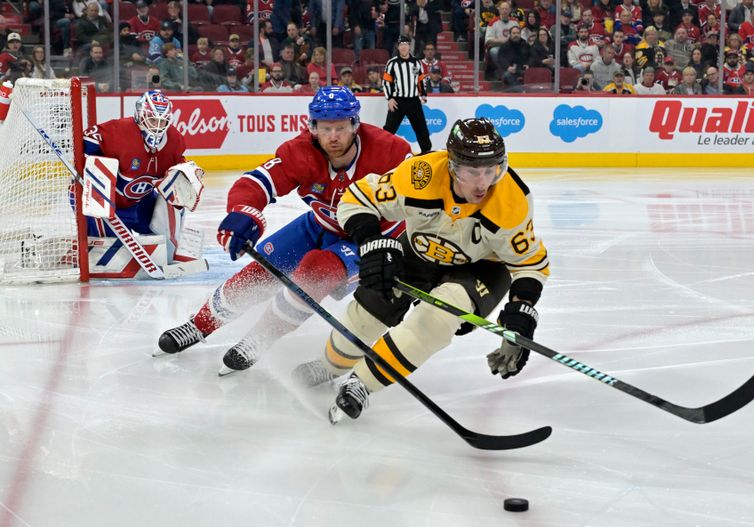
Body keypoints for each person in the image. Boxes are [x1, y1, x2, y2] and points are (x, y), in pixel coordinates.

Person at [296, 118, 549, 423]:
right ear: (453, 166)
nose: (482, 183)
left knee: (439, 317)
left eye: (490, 171)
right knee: (369, 310)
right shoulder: (421, 174)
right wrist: (372, 241)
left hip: (483, 267)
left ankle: (362, 383)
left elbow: (529, 264)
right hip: (420, 249)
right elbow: (358, 198)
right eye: (472, 171)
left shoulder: (511, 201)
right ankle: (331, 365)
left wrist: (521, 309)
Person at [155, 87, 412, 375]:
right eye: (325, 128)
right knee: (261, 271)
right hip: (320, 224)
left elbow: (420, 199)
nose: (334, 137)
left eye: (341, 128)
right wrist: (242, 212)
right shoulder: (299, 151)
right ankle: (199, 324)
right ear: (312, 127)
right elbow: (257, 182)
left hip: (369, 240)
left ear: (355, 124)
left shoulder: (392, 152)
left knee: (315, 271)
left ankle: (260, 337)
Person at [82, 90, 203, 265]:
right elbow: (86, 140)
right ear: (140, 115)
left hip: (137, 202)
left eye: (163, 121)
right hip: (106, 202)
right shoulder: (120, 131)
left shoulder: (174, 140)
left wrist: (186, 178)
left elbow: (177, 178)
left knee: (176, 190)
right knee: (110, 247)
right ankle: (99, 244)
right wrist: (90, 166)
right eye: (153, 120)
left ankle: (170, 247)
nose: (158, 126)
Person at [383, 34, 431, 153]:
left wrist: (423, 94)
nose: (403, 47)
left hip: (414, 101)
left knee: (422, 130)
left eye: (405, 44)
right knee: (389, 130)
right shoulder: (392, 63)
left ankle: (427, 153)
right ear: (398, 47)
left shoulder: (416, 62)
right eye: (401, 45)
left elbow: (421, 80)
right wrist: (389, 98)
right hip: (398, 101)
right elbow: (386, 82)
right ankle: (382, 152)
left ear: (409, 46)